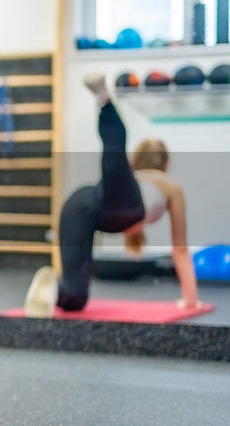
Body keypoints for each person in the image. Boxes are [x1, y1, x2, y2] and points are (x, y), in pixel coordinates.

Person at [23, 71, 202, 317]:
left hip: (80, 203)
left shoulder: (131, 181)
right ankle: (103, 99)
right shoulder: (170, 186)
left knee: (75, 298)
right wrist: (191, 300)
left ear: (138, 160)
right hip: (109, 206)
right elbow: (180, 249)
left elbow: (128, 222)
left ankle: (55, 288)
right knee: (114, 155)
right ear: (166, 164)